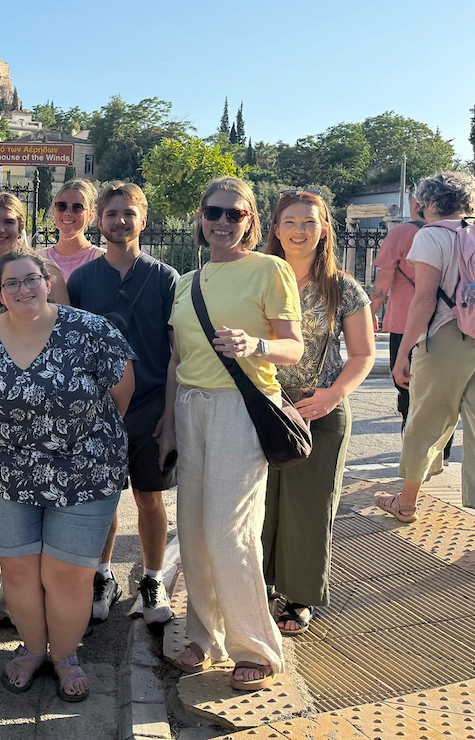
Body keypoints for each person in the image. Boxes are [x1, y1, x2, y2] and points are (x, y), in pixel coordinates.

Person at [0, 249, 135, 701]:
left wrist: (80, 439)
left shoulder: (91, 331)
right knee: (18, 571)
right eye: (11, 283)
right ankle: (34, 650)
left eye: (30, 279)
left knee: (68, 575)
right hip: (7, 474)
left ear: (48, 281)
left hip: (84, 472)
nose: (23, 289)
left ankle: (65, 657)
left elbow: (122, 390)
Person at [160, 176, 302, 692]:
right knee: (194, 529)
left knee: (230, 529)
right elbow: (176, 359)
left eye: (234, 214)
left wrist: (255, 345)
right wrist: (169, 425)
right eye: (213, 212)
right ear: (200, 218)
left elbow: (293, 348)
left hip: (241, 407)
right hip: (190, 406)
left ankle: (255, 647)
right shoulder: (186, 282)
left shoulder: (270, 270)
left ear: (250, 220)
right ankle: (205, 635)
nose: (222, 222)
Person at [377, 171, 475, 566]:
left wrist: (403, 352)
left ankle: (406, 503)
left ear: (426, 204)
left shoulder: (432, 235)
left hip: (448, 337)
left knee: (427, 418)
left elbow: (424, 300)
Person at [262, 190, 374, 635]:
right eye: (290, 222)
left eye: (309, 221)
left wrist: (333, 395)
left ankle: (300, 594)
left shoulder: (342, 287)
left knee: (309, 509)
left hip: (318, 410)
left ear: (324, 229)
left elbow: (363, 354)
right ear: (275, 228)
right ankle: (260, 585)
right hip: (265, 407)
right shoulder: (259, 276)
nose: (299, 230)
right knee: (261, 506)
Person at [67, 181, 179, 625]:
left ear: (143, 220)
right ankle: (102, 575)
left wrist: (170, 416)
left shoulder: (165, 278)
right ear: (100, 221)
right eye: (112, 213)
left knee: (149, 497)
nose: (120, 221)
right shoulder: (82, 280)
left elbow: (176, 353)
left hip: (150, 407)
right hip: (98, 409)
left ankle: (152, 579)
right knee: (103, 501)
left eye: (128, 213)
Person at [369, 196, 433, 438]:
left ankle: (412, 440)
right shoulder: (450, 233)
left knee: (406, 384)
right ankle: (442, 448)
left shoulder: (400, 234)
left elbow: (383, 283)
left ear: (415, 204)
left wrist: (369, 314)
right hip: (443, 323)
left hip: (404, 323)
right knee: (438, 390)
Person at [0, 192, 69, 310]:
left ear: (21, 226)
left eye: (8, 222)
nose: (0, 229)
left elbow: (65, 319)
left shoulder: (50, 272)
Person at [45, 179, 103, 279]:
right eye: (61, 206)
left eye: (77, 208)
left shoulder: (101, 260)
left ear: (90, 214)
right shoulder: (39, 259)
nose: (67, 213)